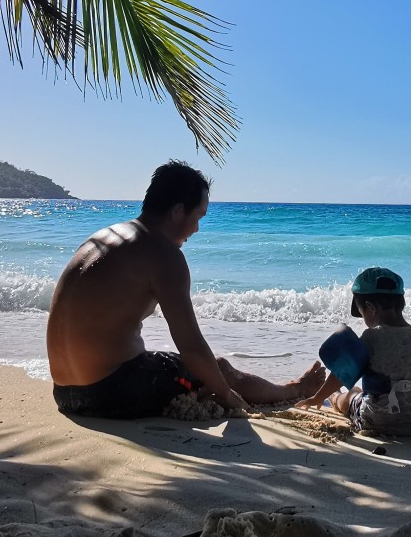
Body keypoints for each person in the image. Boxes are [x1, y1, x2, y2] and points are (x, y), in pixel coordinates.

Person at [47, 160, 325, 419]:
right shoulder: (163, 254)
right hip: (109, 393)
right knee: (220, 369)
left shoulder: (102, 239)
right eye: (199, 216)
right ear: (178, 210)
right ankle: (294, 391)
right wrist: (225, 394)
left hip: (64, 392)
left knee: (190, 368)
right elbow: (191, 346)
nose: (197, 229)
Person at [296, 267, 411, 436]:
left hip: (374, 420)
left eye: (362, 312)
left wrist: (317, 397)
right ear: (402, 303)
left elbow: (342, 373)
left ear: (371, 308)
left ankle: (335, 398)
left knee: (353, 394)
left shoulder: (370, 338)